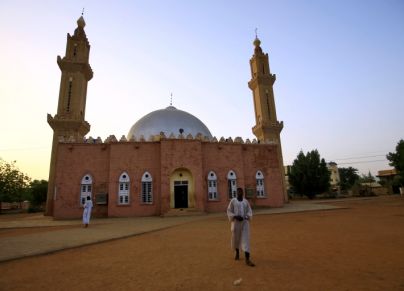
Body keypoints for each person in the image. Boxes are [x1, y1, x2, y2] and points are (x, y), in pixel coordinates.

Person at [227, 187, 255, 267]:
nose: (239, 194)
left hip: (245, 223)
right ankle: (237, 252)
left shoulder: (246, 202)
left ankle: (247, 259)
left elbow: (249, 211)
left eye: (241, 192)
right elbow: (229, 211)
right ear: (236, 193)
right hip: (236, 223)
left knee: (246, 239)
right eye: (238, 192)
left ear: (242, 193)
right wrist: (235, 216)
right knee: (236, 238)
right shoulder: (233, 201)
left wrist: (246, 217)